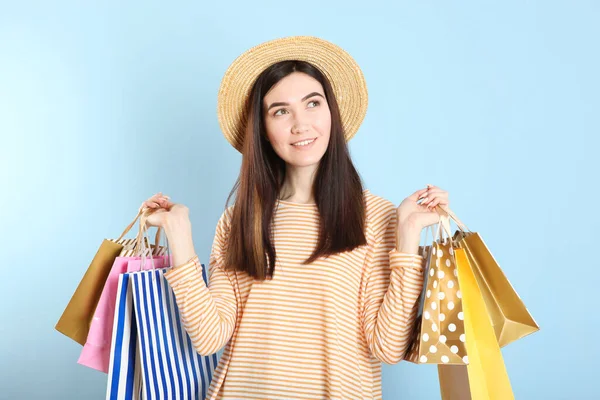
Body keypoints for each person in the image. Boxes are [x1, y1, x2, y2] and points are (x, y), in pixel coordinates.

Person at [141, 36, 450, 400]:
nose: (300, 124)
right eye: (281, 111)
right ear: (264, 130)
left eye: (312, 104)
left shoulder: (378, 217)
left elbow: (388, 347)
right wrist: (179, 234)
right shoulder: (239, 219)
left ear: (331, 113)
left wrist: (408, 232)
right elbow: (210, 338)